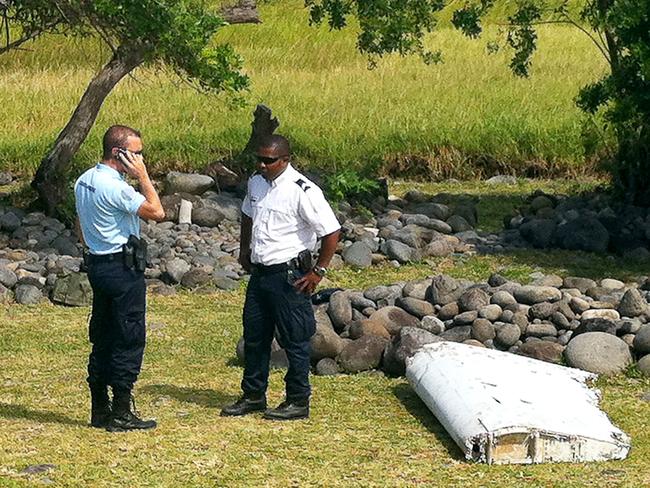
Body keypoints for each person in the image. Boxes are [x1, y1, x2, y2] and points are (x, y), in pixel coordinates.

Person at [221, 134, 341, 421]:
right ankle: (253, 395)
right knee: (255, 337)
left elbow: (331, 232)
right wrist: (245, 248)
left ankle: (298, 399)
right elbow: (248, 214)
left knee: (295, 340)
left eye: (269, 160)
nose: (262, 165)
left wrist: (318, 271)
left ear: (286, 160)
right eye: (258, 159)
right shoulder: (256, 182)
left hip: (289, 275)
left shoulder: (303, 190)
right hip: (260, 274)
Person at [74, 125, 165, 432]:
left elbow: (81, 224)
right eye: (136, 154)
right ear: (119, 153)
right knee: (128, 336)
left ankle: (99, 407)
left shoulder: (85, 180)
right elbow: (156, 211)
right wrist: (142, 176)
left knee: (102, 334)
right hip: (122, 269)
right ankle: (122, 410)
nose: (140, 159)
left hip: (98, 265)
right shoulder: (117, 187)